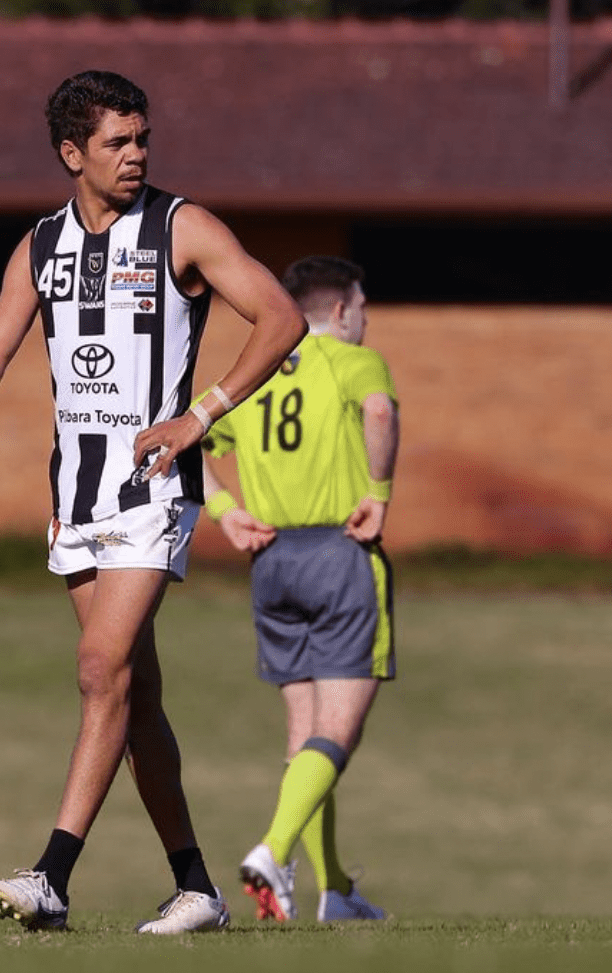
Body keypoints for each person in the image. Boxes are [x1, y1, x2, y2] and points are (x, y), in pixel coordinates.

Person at [0, 70, 306, 934]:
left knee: (100, 668)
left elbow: (280, 317)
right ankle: (197, 889)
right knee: (132, 698)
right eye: (116, 143)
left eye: (142, 141)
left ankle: (51, 874)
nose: (136, 156)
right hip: (75, 492)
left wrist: (197, 415)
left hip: (155, 490)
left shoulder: (183, 227)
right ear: (72, 153)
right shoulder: (39, 246)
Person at [200, 255, 398, 923]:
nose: (365, 317)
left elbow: (189, 445)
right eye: (363, 305)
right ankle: (273, 850)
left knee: (303, 734)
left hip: (273, 560)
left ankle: (334, 890)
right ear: (341, 310)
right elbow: (377, 413)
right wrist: (378, 493)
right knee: (338, 731)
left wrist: (227, 513)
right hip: (339, 552)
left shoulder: (252, 371)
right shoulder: (352, 361)